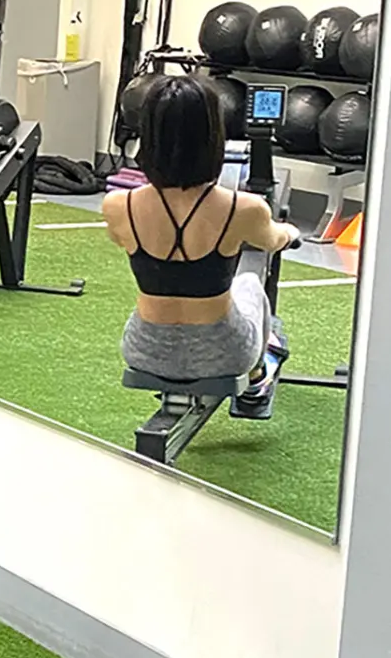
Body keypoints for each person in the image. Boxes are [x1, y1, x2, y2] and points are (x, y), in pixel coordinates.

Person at [103, 72, 296, 416]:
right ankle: (257, 378)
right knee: (250, 283)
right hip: (225, 352)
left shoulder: (118, 207)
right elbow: (273, 240)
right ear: (212, 137)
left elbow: (121, 238)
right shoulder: (245, 208)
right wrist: (290, 232)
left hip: (144, 349)